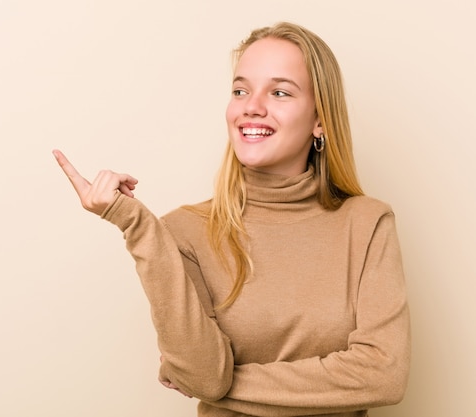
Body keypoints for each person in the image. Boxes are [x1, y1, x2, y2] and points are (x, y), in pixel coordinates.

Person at [53, 21, 410, 417]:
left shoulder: (367, 223)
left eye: (279, 92)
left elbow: (383, 374)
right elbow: (205, 378)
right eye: (241, 90)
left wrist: (228, 382)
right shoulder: (185, 231)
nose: (251, 106)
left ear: (319, 120)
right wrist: (137, 224)